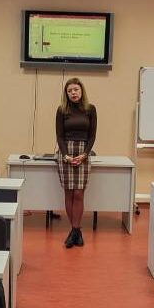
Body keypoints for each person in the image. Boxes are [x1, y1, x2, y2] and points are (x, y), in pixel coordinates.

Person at [56, 78, 97, 248]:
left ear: (81, 91)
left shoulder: (90, 109)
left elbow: (92, 136)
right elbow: (59, 136)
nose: (73, 93)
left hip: (83, 153)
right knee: (69, 193)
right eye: (70, 90)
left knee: (79, 193)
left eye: (76, 89)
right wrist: (65, 155)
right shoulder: (62, 110)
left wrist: (85, 154)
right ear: (66, 93)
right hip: (66, 152)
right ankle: (76, 232)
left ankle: (75, 231)